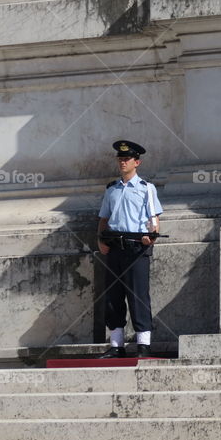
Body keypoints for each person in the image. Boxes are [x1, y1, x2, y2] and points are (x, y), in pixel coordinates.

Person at [97, 140, 162, 358]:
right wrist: (100, 240)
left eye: (127, 159)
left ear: (137, 162)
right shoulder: (112, 189)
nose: (123, 162)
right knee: (113, 297)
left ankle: (143, 344)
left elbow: (154, 219)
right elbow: (104, 218)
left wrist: (150, 236)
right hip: (115, 247)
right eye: (120, 159)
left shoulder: (146, 188)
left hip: (136, 248)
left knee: (138, 295)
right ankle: (117, 344)